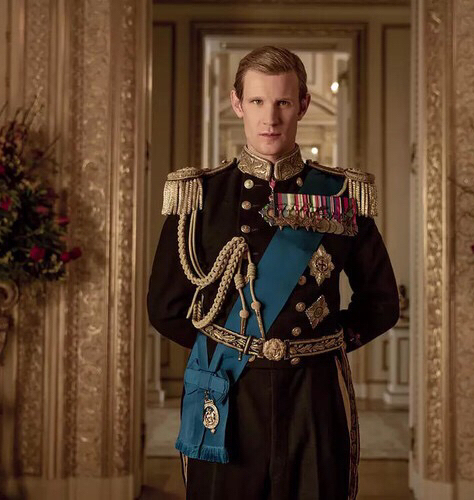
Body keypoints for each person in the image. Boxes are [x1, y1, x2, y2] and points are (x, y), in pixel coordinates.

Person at [147, 45, 400, 500]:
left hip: (312, 392)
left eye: (283, 101)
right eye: (258, 101)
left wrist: (322, 344)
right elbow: (165, 307)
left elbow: (381, 302)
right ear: (237, 103)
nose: (271, 117)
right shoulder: (200, 195)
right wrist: (229, 348)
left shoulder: (341, 195)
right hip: (228, 388)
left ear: (303, 104)